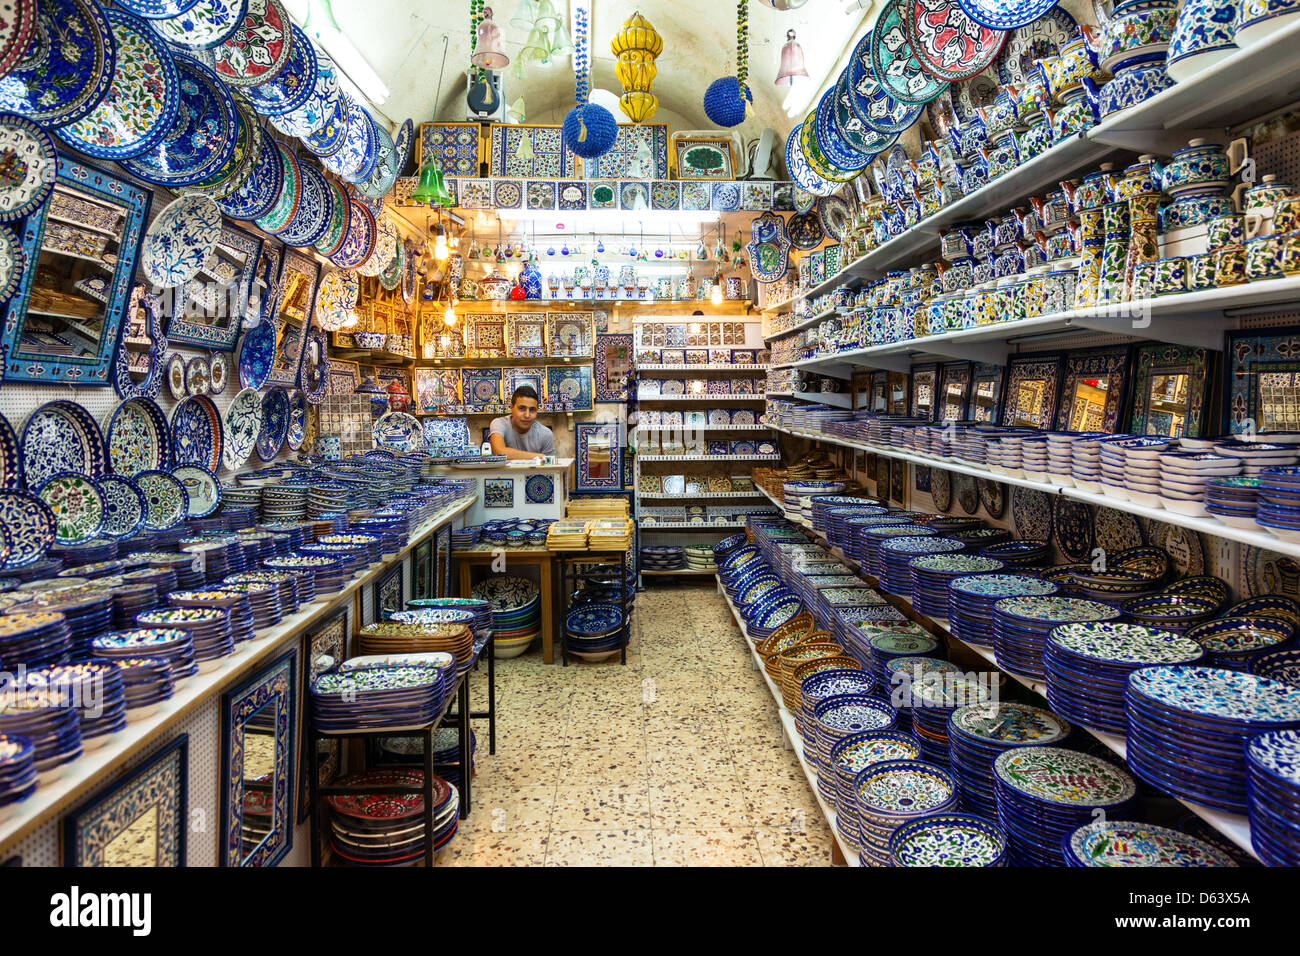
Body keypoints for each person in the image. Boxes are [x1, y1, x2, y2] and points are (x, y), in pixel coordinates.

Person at [489, 386, 555, 460]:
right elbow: (498, 452)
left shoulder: (545, 434)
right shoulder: (499, 423)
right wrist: (540, 457)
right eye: (522, 408)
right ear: (511, 407)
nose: (527, 415)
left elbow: (549, 467)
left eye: (532, 410)